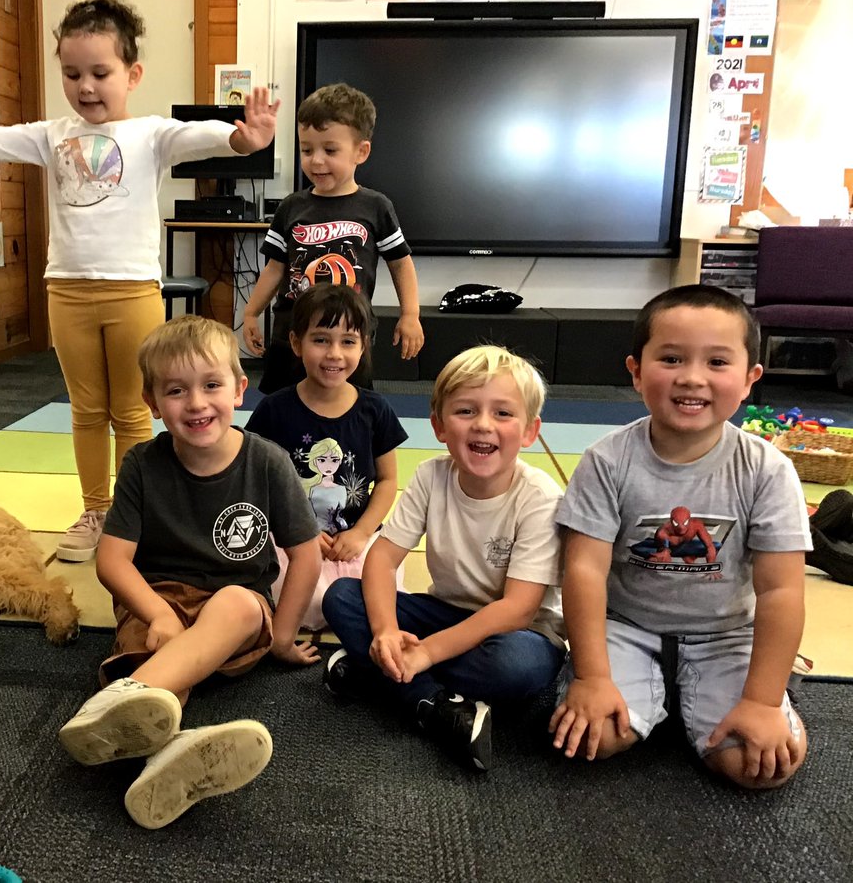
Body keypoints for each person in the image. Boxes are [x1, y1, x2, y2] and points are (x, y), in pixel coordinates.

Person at [0, 0, 278, 563]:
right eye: (72, 73)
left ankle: (133, 512)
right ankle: (96, 508)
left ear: (132, 74)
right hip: (68, 290)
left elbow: (204, 135)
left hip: (132, 291)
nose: (86, 86)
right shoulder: (50, 134)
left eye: (100, 73)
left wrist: (246, 139)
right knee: (86, 409)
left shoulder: (152, 134)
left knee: (132, 408)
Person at [57, 315, 322, 829]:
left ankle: (108, 706)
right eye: (176, 391)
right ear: (153, 402)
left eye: (211, 385)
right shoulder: (141, 464)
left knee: (237, 603)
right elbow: (112, 560)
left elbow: (306, 554)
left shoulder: (267, 462)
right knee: (156, 659)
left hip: (234, 608)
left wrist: (283, 638)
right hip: (158, 600)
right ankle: (167, 755)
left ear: (239, 390)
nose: (197, 403)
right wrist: (158, 614)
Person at [549, 285, 810, 789]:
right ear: (636, 371)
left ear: (750, 378)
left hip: (726, 634)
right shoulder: (607, 460)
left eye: (717, 362)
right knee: (594, 739)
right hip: (626, 626)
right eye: (671, 359)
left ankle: (758, 692)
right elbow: (583, 571)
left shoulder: (767, 470)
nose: (692, 377)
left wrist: (760, 702)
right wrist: (593, 678)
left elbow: (781, 590)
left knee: (756, 767)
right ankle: (644, 691)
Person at [322, 345, 566, 771]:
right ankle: (434, 702)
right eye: (466, 411)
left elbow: (518, 609)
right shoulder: (431, 475)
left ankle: (377, 672)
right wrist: (385, 631)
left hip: (518, 633)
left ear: (530, 431)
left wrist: (428, 652)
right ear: (438, 426)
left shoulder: (540, 497)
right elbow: (381, 560)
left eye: (503, 413)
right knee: (342, 596)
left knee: (518, 667)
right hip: (445, 613)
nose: (483, 424)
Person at [240, 83, 423, 394]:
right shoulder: (291, 207)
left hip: (348, 338)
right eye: (307, 150)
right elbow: (275, 268)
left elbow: (400, 264)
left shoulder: (376, 207)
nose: (316, 161)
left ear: (361, 151)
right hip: (292, 336)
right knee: (282, 407)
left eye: (330, 150)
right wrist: (250, 312)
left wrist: (410, 314)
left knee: (350, 407)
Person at [245, 284, 408, 629]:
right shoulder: (274, 410)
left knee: (383, 581)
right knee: (288, 585)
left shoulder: (375, 410)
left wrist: (361, 532)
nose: (334, 354)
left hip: (357, 537)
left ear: (363, 346)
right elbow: (256, 482)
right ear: (296, 343)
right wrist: (297, 533)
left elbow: (388, 479)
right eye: (321, 340)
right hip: (294, 540)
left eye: (347, 342)